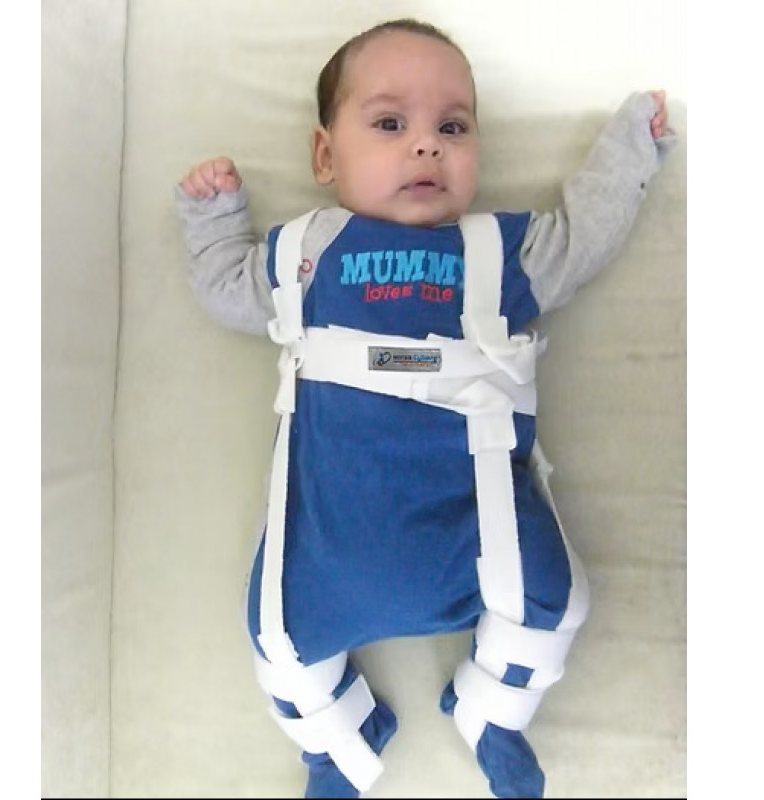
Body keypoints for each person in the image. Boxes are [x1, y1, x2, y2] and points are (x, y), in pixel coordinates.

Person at [174, 17, 674, 800]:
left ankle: (492, 712)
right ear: (325, 157)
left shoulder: (498, 252)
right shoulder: (307, 254)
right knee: (276, 642)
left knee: (557, 599)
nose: (425, 146)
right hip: (327, 550)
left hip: (480, 534)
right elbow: (225, 290)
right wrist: (214, 217)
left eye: (452, 127)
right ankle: (338, 744)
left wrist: (630, 149)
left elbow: (584, 236)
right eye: (389, 124)